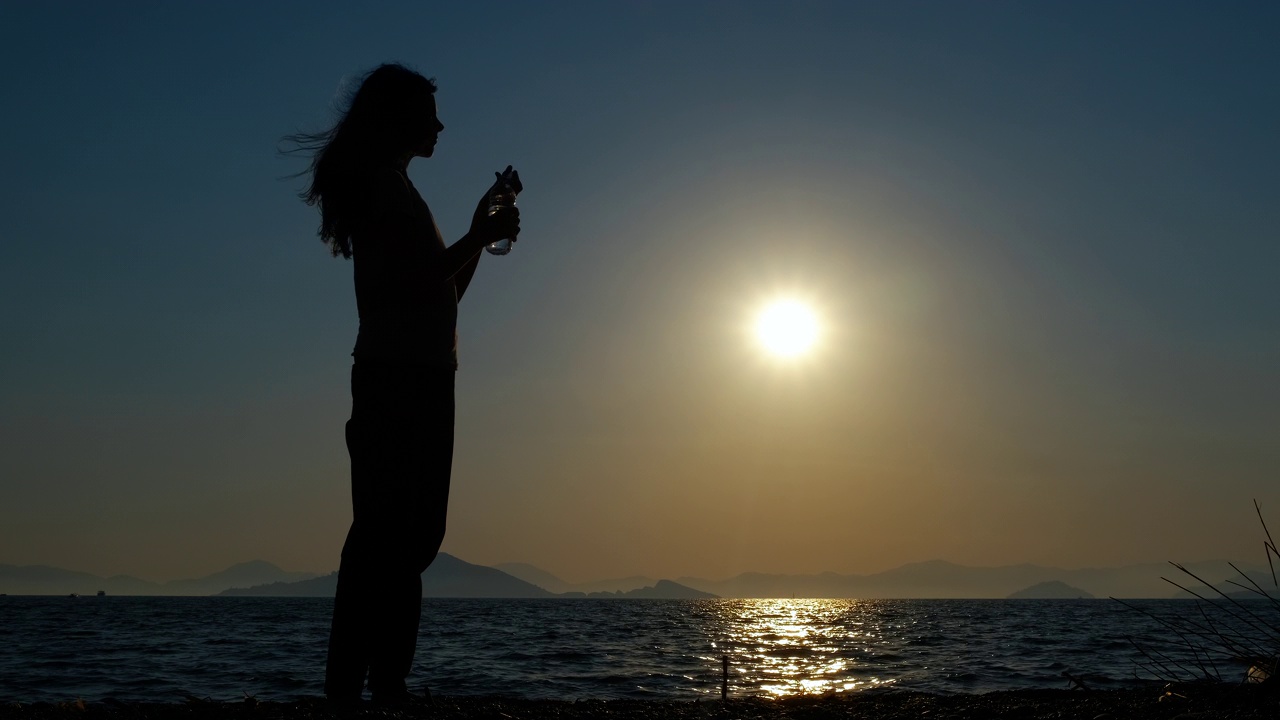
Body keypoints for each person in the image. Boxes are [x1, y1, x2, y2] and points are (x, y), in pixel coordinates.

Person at [285, 63, 521, 705]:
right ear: (397, 117)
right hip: (400, 380)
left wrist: (476, 235)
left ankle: (376, 684)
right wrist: (480, 233)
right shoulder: (382, 189)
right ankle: (368, 686)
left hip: (415, 375)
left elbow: (439, 297)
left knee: (402, 539)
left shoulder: (391, 188)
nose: (440, 125)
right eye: (427, 113)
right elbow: (409, 290)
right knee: (391, 540)